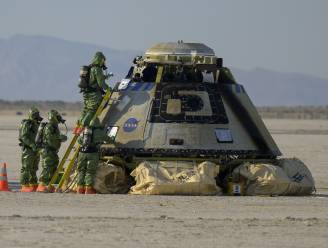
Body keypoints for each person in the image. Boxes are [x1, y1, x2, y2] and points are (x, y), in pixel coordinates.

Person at [76, 117, 112, 194]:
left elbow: (79, 140)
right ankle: (88, 189)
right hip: (92, 153)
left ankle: (79, 188)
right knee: (90, 171)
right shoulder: (99, 132)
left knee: (81, 170)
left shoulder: (85, 130)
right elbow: (108, 139)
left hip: (82, 153)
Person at [77, 51, 111, 131]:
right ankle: (84, 124)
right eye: (103, 60)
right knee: (92, 110)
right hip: (94, 95)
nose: (103, 62)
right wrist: (108, 88)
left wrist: (105, 76)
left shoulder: (90, 68)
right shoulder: (97, 69)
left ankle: (80, 123)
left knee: (86, 109)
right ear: (100, 59)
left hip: (86, 93)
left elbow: (94, 80)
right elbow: (101, 83)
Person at [37, 110, 67, 192]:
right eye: (57, 116)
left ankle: (49, 185)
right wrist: (59, 137)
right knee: (47, 168)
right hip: (48, 151)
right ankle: (42, 186)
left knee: (53, 168)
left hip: (52, 151)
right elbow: (50, 137)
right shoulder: (49, 126)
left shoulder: (54, 126)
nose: (59, 118)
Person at [19, 107, 43, 192]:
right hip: (28, 149)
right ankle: (24, 185)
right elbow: (24, 136)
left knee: (34, 167)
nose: (37, 116)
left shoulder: (36, 124)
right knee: (26, 167)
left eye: (37, 114)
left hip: (35, 149)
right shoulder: (27, 124)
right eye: (35, 114)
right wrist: (32, 145)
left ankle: (33, 183)